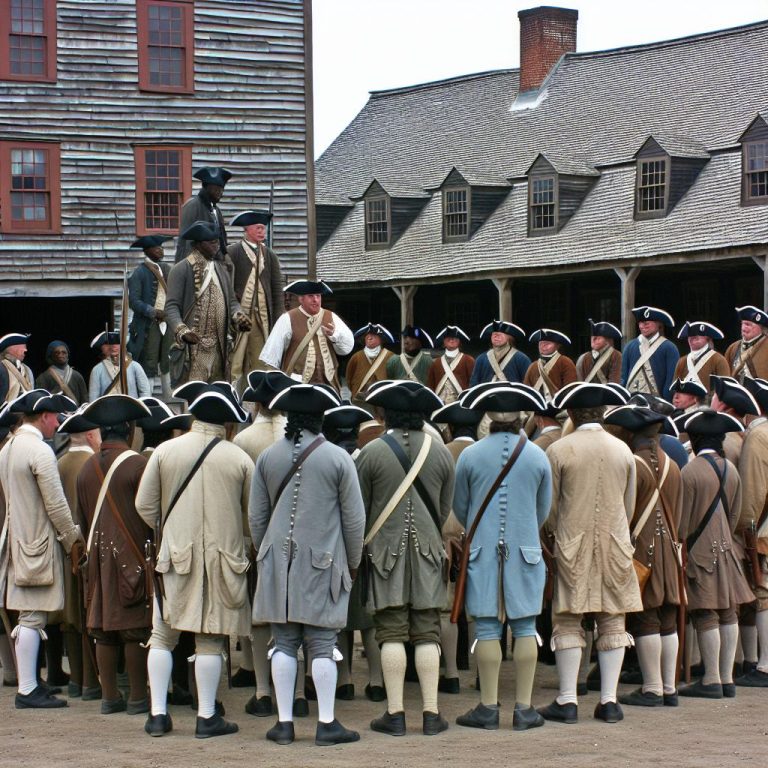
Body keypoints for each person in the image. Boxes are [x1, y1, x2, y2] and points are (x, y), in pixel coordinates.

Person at [249, 383, 365, 746]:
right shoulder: (338, 458)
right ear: (320, 420)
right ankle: (326, 723)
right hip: (324, 562)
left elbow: (256, 517)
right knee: (322, 641)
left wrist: (266, 553)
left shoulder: (268, 456)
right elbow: (354, 521)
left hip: (276, 562)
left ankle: (284, 724)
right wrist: (354, 562)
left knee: (282, 641)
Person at [136, 382, 253, 738]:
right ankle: (206, 717)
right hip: (224, 559)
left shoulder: (165, 452)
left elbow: (144, 506)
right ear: (228, 424)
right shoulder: (240, 459)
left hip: (174, 556)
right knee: (210, 640)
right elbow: (252, 519)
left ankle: (157, 716)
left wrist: (168, 531)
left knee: (162, 636)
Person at [537, 382, 641, 725]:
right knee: (613, 617)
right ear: (602, 414)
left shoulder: (560, 450)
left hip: (571, 540)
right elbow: (629, 505)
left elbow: (549, 509)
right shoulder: (623, 450)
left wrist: (554, 533)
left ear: (570, 413)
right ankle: (609, 701)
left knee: (567, 618)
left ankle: (568, 700)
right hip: (615, 540)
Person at [356, 381, 455, 737]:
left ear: (385, 414)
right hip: (429, 551)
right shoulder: (442, 452)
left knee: (391, 629)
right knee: (427, 629)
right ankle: (431, 714)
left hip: (384, 553)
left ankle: (395, 714)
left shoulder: (371, 452)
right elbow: (445, 508)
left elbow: (360, 510)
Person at [453, 382, 552, 731]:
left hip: (482, 551)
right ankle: (524, 709)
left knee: (487, 628)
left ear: (488, 417)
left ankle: (488, 707)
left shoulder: (470, 455)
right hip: (526, 551)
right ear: (521, 417)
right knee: (526, 626)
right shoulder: (539, 455)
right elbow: (544, 510)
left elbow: (461, 507)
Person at [0, 390, 85, 709]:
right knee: (32, 616)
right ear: (45, 416)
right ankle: (27, 688)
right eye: (56, 417)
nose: (59, 423)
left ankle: (30, 684)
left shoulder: (9, 447)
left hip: (17, 539)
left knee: (28, 614)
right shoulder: (38, 450)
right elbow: (57, 505)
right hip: (35, 541)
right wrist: (73, 538)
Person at [76, 395, 154, 715]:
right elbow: (151, 514)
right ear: (129, 428)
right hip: (132, 554)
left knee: (104, 629)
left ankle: (109, 696)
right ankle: (137, 697)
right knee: (134, 627)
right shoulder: (139, 464)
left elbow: (82, 520)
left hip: (98, 557)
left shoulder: (85, 469)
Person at [604, 404, 684, 708]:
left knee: (647, 617)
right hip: (670, 550)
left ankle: (652, 688)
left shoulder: (634, 464)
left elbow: (623, 512)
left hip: (642, 550)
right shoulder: (673, 465)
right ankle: (669, 687)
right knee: (667, 618)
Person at [676, 409, 755, 698]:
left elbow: (682, 522)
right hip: (727, 549)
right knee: (728, 612)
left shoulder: (690, 471)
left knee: (706, 612)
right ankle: (726, 678)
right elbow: (734, 514)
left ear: (695, 439)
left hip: (699, 551)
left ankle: (711, 679)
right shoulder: (731, 470)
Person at [232, 369, 292, 718]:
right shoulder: (298, 436)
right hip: (294, 536)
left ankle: (262, 689)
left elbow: (244, 500)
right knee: (293, 613)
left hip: (256, 538)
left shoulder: (244, 441)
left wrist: (250, 538)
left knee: (258, 616)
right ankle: (299, 688)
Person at [165, 221, 251, 385]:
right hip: (194, 348)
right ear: (198, 244)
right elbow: (171, 307)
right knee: (195, 395)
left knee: (217, 395)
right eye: (211, 242)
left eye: (217, 242)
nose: (217, 246)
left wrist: (238, 315)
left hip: (220, 346)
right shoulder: (181, 269)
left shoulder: (221, 269)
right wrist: (182, 330)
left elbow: (231, 301)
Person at [56, 407, 102, 700]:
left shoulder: (59, 463)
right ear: (88, 434)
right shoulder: (93, 464)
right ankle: (90, 683)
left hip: (65, 550)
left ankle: (77, 680)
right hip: (87, 549)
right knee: (88, 615)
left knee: (70, 616)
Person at [733, 376, 768, 687]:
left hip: (766, 528)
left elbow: (754, 490)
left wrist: (747, 527)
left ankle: (765, 666)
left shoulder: (758, 436)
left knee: (764, 593)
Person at [226, 210, 285, 388]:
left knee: (260, 362)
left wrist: (279, 320)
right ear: (247, 230)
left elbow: (276, 291)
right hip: (239, 319)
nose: (262, 232)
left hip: (262, 320)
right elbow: (227, 284)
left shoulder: (270, 255)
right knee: (236, 361)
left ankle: (256, 399)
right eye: (258, 228)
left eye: (263, 228)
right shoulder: (233, 252)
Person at [259, 279, 353, 391]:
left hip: (328, 384)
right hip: (297, 384)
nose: (315, 300)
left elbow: (346, 348)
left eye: (318, 295)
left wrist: (334, 336)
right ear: (301, 299)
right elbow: (272, 356)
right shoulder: (287, 319)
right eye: (310, 296)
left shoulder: (331, 317)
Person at [127, 235, 174, 398]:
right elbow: (133, 301)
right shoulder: (139, 273)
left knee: (168, 361)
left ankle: (169, 401)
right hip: (148, 325)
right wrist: (152, 311)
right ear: (147, 251)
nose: (161, 250)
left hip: (167, 323)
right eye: (157, 248)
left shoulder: (167, 269)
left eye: (161, 247)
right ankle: (148, 402)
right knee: (149, 364)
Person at [621, 306, 679, 401]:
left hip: (658, 402)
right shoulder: (630, 346)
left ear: (658, 324)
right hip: (631, 401)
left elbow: (671, 380)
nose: (643, 326)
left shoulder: (669, 348)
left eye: (647, 323)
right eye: (640, 323)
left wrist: (666, 401)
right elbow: (623, 377)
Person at [175, 167, 232, 263]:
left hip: (215, 263)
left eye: (222, 190)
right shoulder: (192, 206)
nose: (220, 193)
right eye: (217, 190)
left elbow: (221, 239)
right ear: (206, 188)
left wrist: (225, 256)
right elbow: (186, 242)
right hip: (197, 264)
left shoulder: (216, 210)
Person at [88, 331, 151, 400]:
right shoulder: (97, 370)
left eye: (117, 343)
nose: (113, 347)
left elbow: (145, 392)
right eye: (109, 344)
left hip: (131, 408)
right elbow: (93, 398)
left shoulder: (134, 366)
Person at [345, 323, 395, 407]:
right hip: (360, 401)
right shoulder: (356, 357)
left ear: (381, 339)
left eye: (373, 335)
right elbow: (349, 378)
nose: (369, 337)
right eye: (367, 335)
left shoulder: (390, 356)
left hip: (383, 400)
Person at [673, 321, 730, 392]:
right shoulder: (682, 361)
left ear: (708, 338)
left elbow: (725, 390)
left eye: (696, 338)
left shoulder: (719, 360)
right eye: (690, 338)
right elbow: (675, 388)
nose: (692, 340)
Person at [470, 321, 531, 386]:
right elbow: (474, 383)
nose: (496, 336)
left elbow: (528, 384)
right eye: (494, 334)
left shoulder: (522, 358)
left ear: (509, 337)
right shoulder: (481, 359)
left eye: (500, 334)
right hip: (487, 395)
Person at [523, 329, 578, 399]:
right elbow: (527, 390)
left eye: (547, 343)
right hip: (537, 407)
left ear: (557, 346)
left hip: (559, 407)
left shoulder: (565, 362)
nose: (543, 346)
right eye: (541, 343)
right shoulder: (533, 366)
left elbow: (570, 389)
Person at [427, 326, 475, 405]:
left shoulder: (469, 360)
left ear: (459, 341)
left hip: (460, 404)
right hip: (440, 404)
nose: (452, 340)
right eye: (448, 338)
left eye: (455, 338)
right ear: (444, 342)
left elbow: (472, 384)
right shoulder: (436, 363)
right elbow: (430, 385)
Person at [35, 341, 88, 406]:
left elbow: (85, 399)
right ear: (51, 356)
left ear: (67, 355)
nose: (60, 355)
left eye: (64, 352)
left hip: (75, 413)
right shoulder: (43, 377)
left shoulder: (77, 376)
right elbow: (40, 400)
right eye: (57, 353)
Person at [725, 306, 768, 383]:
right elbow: (725, 376)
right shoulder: (733, 347)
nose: (743, 328)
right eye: (742, 324)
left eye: (748, 325)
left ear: (760, 327)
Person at [0, 333, 34, 405]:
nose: (26, 350)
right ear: (10, 349)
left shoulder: (27, 369)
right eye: (22, 347)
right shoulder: (1, 368)